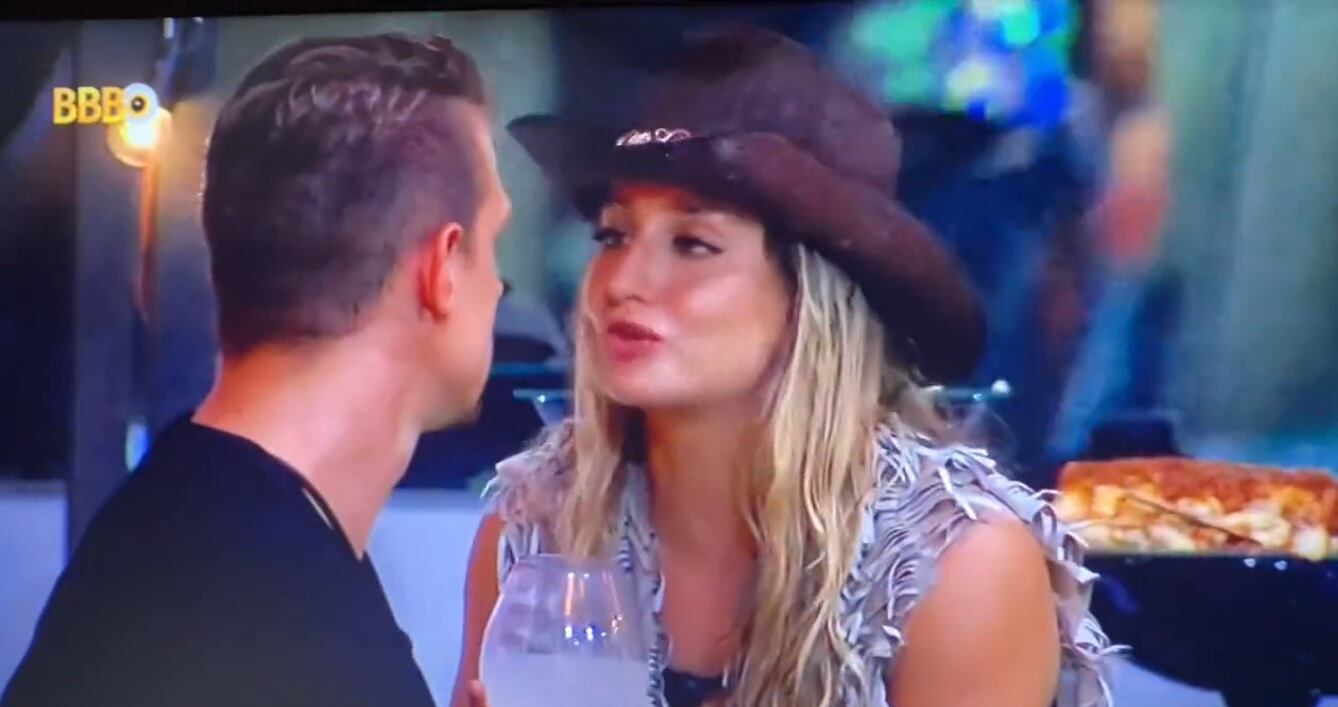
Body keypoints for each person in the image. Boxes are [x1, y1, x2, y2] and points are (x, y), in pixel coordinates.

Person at [453, 26, 1114, 707]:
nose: (622, 281)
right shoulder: (540, 527)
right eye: (613, 235)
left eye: (693, 243)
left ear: (810, 300)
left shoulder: (953, 563)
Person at [3, 33, 510, 707]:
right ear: (442, 268)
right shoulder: (292, 622)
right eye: (494, 242)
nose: (499, 286)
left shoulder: (192, 526)